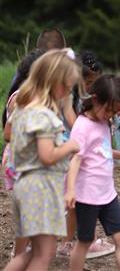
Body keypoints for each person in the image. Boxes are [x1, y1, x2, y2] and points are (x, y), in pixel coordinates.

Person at [2, 49, 81, 271]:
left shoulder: (24, 108)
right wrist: (70, 146)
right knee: (44, 255)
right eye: (66, 86)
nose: (67, 92)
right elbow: (47, 156)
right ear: (52, 81)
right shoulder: (45, 116)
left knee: (28, 254)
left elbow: (8, 133)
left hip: (23, 185)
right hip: (40, 188)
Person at [64, 75, 120, 271]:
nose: (110, 114)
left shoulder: (105, 122)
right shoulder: (82, 125)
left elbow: (101, 151)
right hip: (87, 195)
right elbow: (76, 158)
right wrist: (70, 191)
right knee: (85, 242)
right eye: (108, 109)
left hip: (107, 193)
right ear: (95, 98)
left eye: (115, 111)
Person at [57, 50, 115, 259]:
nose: (92, 86)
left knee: (75, 198)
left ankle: (70, 241)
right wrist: (88, 129)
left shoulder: (81, 92)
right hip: (66, 145)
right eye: (89, 81)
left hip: (72, 144)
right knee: (77, 196)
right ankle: (81, 241)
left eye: (95, 81)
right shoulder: (67, 89)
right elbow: (71, 117)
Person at [1, 49, 46, 259]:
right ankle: (19, 254)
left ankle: (23, 252)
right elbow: (8, 134)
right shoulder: (22, 98)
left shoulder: (36, 97)